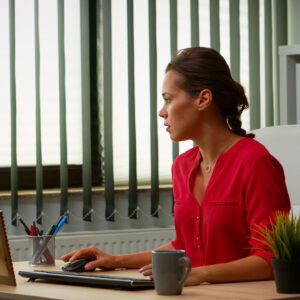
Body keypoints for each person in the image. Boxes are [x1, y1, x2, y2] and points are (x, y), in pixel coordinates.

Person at [61, 47, 291, 285]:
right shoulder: (183, 166)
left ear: (203, 99)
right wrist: (116, 260)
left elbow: (272, 259)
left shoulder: (256, 163)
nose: (162, 112)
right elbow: (184, 246)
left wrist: (200, 274)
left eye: (168, 99)